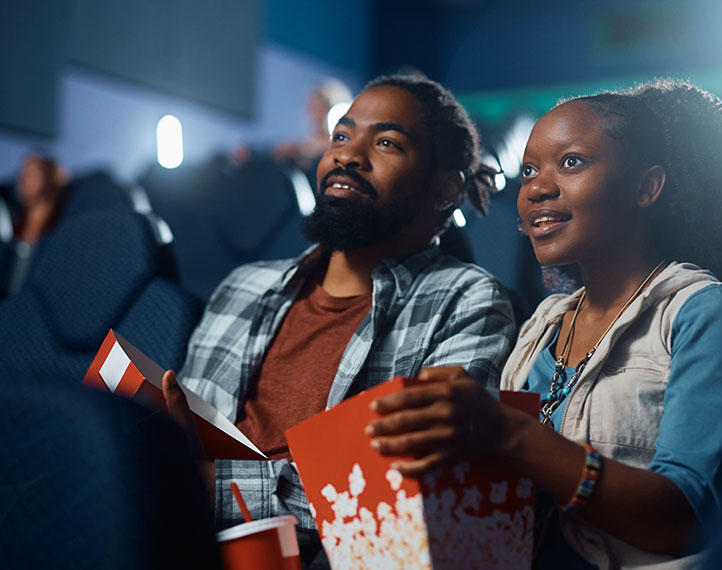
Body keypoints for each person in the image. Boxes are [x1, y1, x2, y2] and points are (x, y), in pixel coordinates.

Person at [366, 79, 722, 568]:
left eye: (572, 162)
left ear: (646, 187)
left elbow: (682, 519)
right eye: (529, 170)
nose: (537, 188)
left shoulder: (701, 311)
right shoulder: (543, 323)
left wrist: (509, 433)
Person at [162, 74, 517, 562]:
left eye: (387, 142)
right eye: (342, 136)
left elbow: (407, 494)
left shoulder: (468, 303)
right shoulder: (242, 286)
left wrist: (210, 486)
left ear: (443, 189)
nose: (347, 156)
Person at [3, 154, 69, 297]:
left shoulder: (58, 229)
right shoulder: (13, 225)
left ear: (48, 179)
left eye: (32, 174)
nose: (23, 180)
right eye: (22, 174)